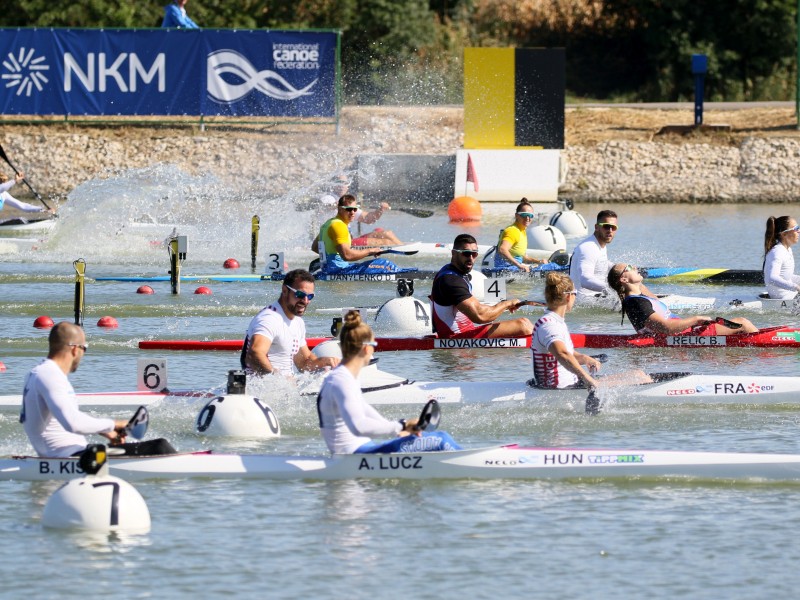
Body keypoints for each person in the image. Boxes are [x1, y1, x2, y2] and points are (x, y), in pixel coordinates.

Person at [21, 322, 176, 458]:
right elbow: (72, 423)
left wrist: (104, 431)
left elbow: (64, 415)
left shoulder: (37, 373)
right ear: (75, 349)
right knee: (160, 447)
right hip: (73, 457)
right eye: (85, 349)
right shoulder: (51, 376)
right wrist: (114, 424)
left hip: (69, 454)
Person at [317, 310, 461, 454]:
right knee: (442, 439)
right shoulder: (341, 381)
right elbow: (358, 426)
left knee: (427, 437)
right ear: (367, 348)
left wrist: (402, 429)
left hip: (362, 449)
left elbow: (369, 414)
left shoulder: (343, 378)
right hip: (355, 454)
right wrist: (401, 425)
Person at [531, 272, 651, 389]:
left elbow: (567, 353)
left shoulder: (554, 321)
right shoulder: (549, 325)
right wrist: (588, 379)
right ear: (568, 296)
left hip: (570, 382)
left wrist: (584, 358)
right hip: (559, 388)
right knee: (641, 379)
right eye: (575, 294)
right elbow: (562, 354)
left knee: (638, 374)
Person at [430, 233, 533, 338]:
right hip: (455, 338)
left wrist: (502, 305)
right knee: (523, 325)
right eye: (466, 253)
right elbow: (480, 316)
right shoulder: (451, 280)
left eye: (474, 254)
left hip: (467, 333)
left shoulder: (456, 273)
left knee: (523, 324)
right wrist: (507, 304)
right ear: (454, 253)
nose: (471, 258)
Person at [607, 263, 758, 335]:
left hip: (685, 333)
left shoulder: (640, 295)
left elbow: (641, 288)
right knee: (743, 323)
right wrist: (696, 318)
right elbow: (665, 328)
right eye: (628, 268)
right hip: (681, 336)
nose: (633, 266)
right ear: (624, 280)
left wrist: (636, 279)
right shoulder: (636, 302)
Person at [242, 269, 340, 376]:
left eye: (310, 296)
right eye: (300, 294)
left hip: (285, 389)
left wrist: (325, 361)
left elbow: (304, 363)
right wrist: (279, 381)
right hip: (260, 389)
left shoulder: (298, 322)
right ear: (285, 290)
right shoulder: (269, 319)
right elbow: (254, 354)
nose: (306, 301)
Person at [311, 194, 414, 275]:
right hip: (338, 271)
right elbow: (347, 255)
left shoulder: (328, 224)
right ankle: (411, 273)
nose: (352, 212)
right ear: (340, 209)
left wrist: (329, 258)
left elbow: (315, 247)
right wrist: (370, 250)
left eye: (354, 209)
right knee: (384, 264)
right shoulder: (339, 226)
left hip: (329, 270)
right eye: (348, 209)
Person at [319, 175, 401, 247]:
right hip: (340, 244)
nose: (342, 185)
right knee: (386, 240)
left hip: (349, 240)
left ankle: (403, 247)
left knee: (384, 232)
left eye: (345, 183)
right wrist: (337, 205)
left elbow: (369, 219)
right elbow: (325, 207)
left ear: (348, 186)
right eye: (339, 182)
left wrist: (380, 210)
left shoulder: (348, 204)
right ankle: (403, 248)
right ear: (333, 185)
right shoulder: (328, 198)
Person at [493, 198, 547, 272]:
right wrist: (519, 265)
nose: (527, 218)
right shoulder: (512, 230)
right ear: (516, 216)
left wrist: (538, 262)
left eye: (530, 215)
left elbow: (523, 257)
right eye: (524, 215)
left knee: (547, 266)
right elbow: (502, 250)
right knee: (553, 267)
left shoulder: (522, 231)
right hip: (504, 268)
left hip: (515, 267)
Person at [763, 215, 800, 299]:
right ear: (784, 234)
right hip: (782, 299)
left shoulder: (787, 250)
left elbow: (786, 277)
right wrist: (795, 287)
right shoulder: (777, 252)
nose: (799, 231)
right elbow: (771, 278)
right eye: (796, 228)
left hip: (791, 295)